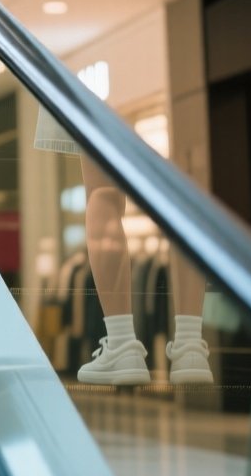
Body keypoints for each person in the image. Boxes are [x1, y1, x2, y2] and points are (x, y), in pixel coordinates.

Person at [34, 108, 213, 385]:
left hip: (98, 93)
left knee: (103, 192)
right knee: (187, 185)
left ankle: (122, 346)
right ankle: (190, 347)